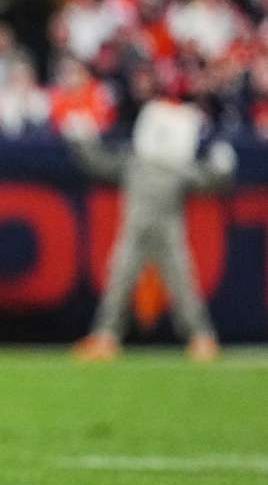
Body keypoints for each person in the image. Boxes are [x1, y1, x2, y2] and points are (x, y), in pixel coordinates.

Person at [66, 99, 234, 362]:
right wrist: (82, 142)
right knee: (119, 284)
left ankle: (201, 337)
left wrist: (222, 169)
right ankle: (106, 337)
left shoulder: (175, 168)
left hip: (168, 233)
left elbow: (209, 183)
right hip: (135, 232)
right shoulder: (138, 163)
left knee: (182, 286)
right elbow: (100, 164)